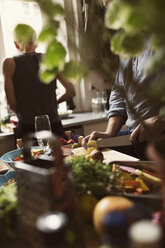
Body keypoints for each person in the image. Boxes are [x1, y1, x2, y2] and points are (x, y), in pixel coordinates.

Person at [83, 47, 165, 159]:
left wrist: (160, 120)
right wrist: (109, 132)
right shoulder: (127, 46)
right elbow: (118, 93)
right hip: (136, 140)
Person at [2, 23, 75, 140]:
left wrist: (23, 113)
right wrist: (52, 104)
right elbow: (70, 91)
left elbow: (11, 103)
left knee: (32, 158)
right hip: (54, 127)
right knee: (63, 157)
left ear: (16, 43)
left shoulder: (9, 63)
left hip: (27, 128)